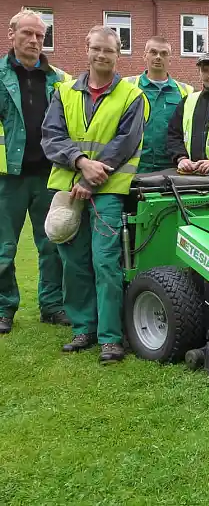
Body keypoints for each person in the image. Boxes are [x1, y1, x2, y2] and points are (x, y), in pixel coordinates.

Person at [41, 25, 148, 363]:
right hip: (68, 188)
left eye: (110, 51)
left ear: (119, 54)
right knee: (73, 262)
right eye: (97, 49)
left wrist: (90, 179)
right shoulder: (64, 92)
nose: (102, 55)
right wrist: (80, 162)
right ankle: (83, 328)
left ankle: (110, 337)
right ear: (86, 48)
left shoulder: (132, 96)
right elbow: (51, 136)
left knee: (105, 262)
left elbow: (124, 144)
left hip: (107, 191)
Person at [0, 9, 72, 334]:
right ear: (11, 35)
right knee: (4, 248)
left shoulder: (59, 79)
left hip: (49, 176)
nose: (33, 40)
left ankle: (52, 306)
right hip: (8, 177)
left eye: (39, 35)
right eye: (27, 33)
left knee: (52, 244)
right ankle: (4, 309)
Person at [125, 36, 193, 173]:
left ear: (170, 59)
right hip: (133, 165)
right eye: (153, 52)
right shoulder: (127, 86)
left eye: (164, 53)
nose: (158, 57)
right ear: (145, 55)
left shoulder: (186, 91)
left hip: (172, 166)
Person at [167, 52, 209, 175]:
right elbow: (173, 135)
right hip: (191, 175)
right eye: (205, 70)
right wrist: (181, 158)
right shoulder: (188, 101)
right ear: (200, 73)